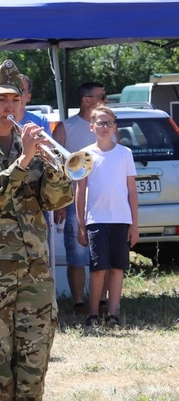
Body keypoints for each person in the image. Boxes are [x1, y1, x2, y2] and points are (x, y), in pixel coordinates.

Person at [0, 60, 73, 401]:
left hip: (34, 273)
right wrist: (23, 162)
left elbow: (55, 201)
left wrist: (52, 164)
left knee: (33, 363)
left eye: (15, 99)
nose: (9, 107)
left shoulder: (29, 139)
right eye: (1, 99)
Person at [76, 105, 139, 328]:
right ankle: (93, 313)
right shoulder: (84, 155)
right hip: (96, 220)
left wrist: (134, 225)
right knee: (98, 268)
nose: (105, 127)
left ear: (115, 127)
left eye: (109, 123)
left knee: (117, 267)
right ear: (92, 127)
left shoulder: (125, 154)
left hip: (121, 220)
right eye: (100, 123)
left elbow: (132, 191)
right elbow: (80, 192)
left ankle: (113, 313)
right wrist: (81, 225)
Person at [54, 80, 106, 312]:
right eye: (102, 97)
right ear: (88, 101)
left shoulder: (109, 126)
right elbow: (54, 168)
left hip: (105, 202)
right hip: (76, 202)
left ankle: (102, 300)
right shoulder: (66, 128)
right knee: (76, 254)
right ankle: (78, 303)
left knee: (103, 254)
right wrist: (59, 202)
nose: (106, 100)